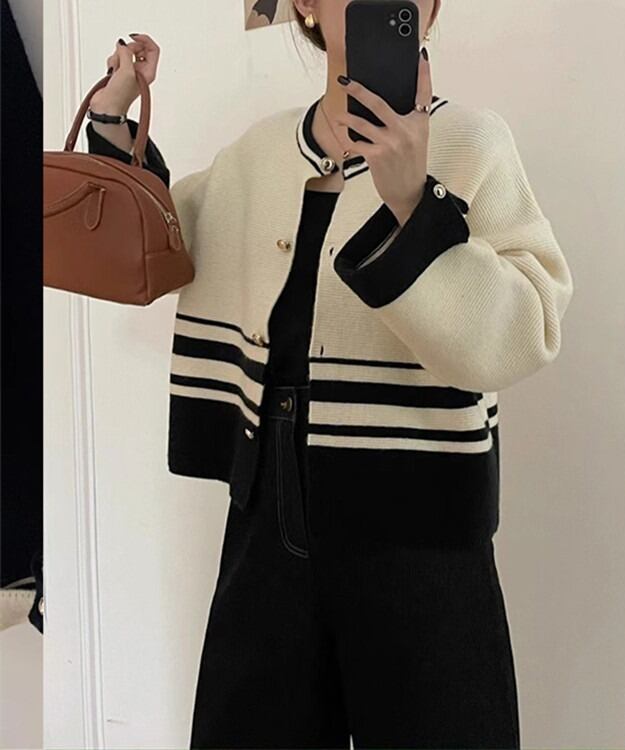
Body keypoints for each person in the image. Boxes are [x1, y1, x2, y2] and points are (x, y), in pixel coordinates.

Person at [86, 2, 574, 747]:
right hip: (266, 508)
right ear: (306, 4)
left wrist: (412, 203)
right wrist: (115, 116)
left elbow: (527, 329)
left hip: (419, 522)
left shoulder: (472, 143)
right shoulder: (258, 152)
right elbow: (154, 242)